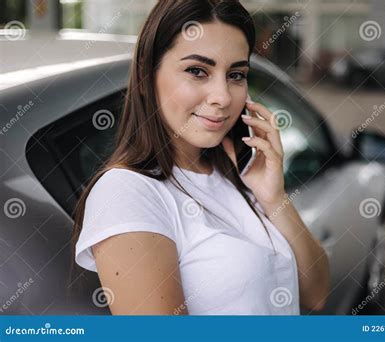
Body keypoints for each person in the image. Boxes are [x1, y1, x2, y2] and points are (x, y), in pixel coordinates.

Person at [71, 0, 329, 315]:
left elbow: (315, 296)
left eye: (236, 74)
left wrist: (275, 199)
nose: (222, 97)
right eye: (197, 71)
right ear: (145, 74)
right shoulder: (126, 193)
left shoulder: (238, 172)